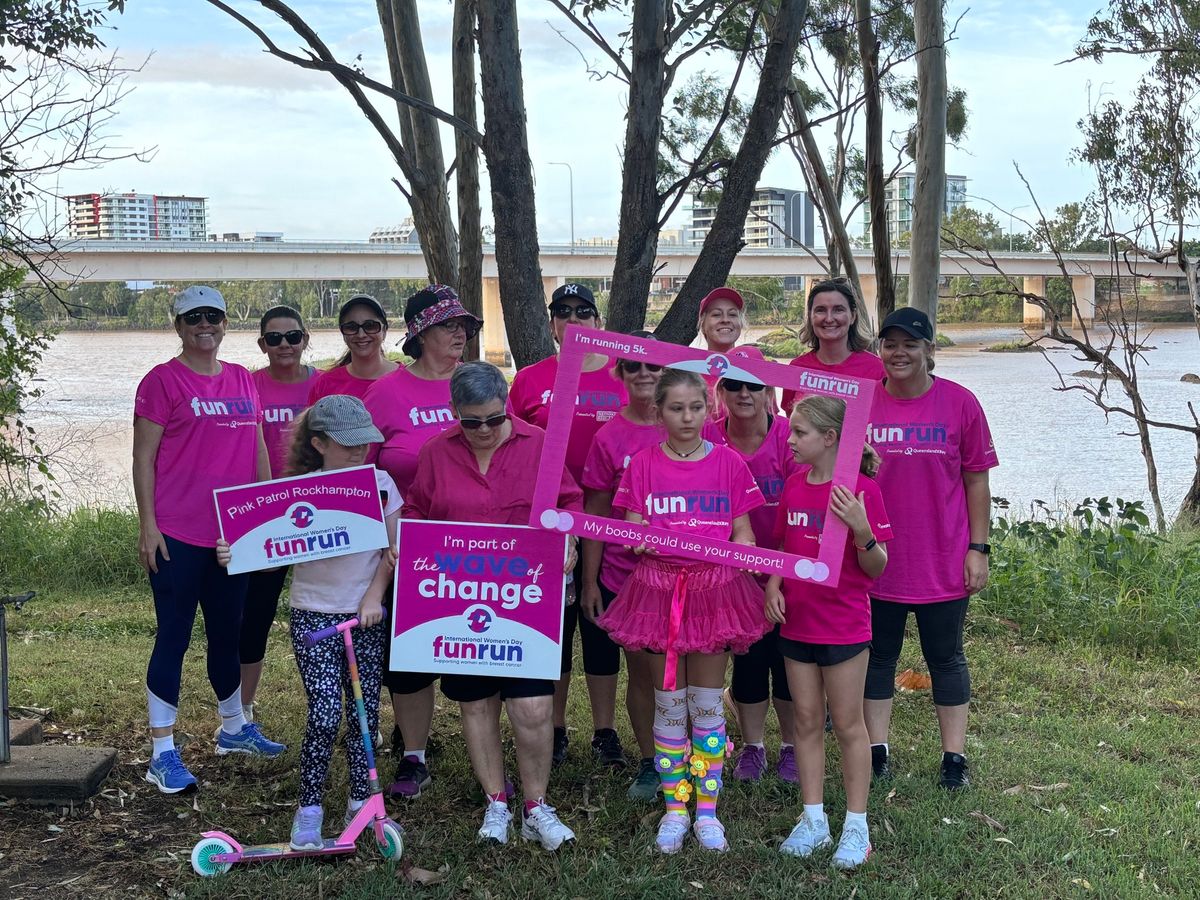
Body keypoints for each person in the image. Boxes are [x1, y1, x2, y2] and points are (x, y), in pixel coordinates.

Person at [403, 362, 582, 851]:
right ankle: (497, 803)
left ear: (506, 405)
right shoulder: (436, 452)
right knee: (476, 704)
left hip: (525, 601)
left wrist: (568, 538)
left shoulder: (541, 443)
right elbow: (418, 509)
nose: (483, 430)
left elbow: (571, 502)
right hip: (461, 604)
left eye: (492, 419)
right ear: (453, 413)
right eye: (471, 421)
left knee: (533, 707)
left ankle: (536, 807)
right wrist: (408, 540)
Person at [597, 368, 770, 854]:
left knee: (707, 705)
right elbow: (632, 534)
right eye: (676, 408)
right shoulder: (643, 464)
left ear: (708, 409)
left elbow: (745, 535)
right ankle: (676, 810)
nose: (687, 417)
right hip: (658, 594)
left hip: (714, 593)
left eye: (696, 407)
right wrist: (648, 543)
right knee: (669, 704)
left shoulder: (731, 464)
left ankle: (708, 813)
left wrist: (736, 553)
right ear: (659, 412)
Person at [217, 395, 400, 850]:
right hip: (312, 614)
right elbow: (263, 554)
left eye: (364, 442)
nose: (359, 451)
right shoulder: (295, 493)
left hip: (365, 617)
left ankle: (362, 799)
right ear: (318, 443)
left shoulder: (381, 485)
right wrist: (232, 554)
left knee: (364, 713)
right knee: (323, 713)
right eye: (346, 444)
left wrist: (374, 596)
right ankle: (310, 806)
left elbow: (393, 550)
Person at [133, 285, 285, 795]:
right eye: (193, 317)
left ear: (224, 324)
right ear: (178, 326)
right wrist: (148, 526)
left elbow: (258, 450)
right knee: (173, 636)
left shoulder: (243, 378)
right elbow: (144, 459)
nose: (205, 325)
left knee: (230, 631)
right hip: (177, 533)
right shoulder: (162, 381)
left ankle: (234, 729)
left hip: (233, 534)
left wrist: (264, 521)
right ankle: (162, 752)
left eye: (214, 317)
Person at [864, 307, 997, 790]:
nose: (899, 353)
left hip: (943, 557)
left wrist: (978, 548)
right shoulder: (862, 405)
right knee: (879, 657)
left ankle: (953, 760)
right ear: (880, 350)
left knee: (946, 657)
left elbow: (976, 482)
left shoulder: (960, 404)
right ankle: (877, 752)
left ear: (929, 351)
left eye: (910, 344)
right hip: (876, 558)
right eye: (890, 344)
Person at [362, 285, 481, 799]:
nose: (460, 334)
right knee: (408, 657)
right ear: (419, 333)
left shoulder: (478, 385)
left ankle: (489, 760)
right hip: (406, 547)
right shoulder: (386, 393)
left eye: (465, 326)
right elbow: (359, 475)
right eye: (448, 325)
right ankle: (414, 754)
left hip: (477, 547)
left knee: (477, 648)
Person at [764, 395, 891, 870]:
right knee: (805, 721)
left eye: (799, 433)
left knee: (849, 724)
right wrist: (773, 585)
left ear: (830, 437)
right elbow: (781, 544)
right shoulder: (795, 486)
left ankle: (856, 826)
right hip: (797, 623)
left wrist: (862, 531)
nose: (790, 439)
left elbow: (876, 567)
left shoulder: (862, 491)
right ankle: (813, 820)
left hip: (843, 626)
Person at [507, 283, 627, 767]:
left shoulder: (623, 376)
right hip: (549, 524)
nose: (574, 319)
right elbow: (512, 445)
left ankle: (604, 731)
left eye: (584, 311)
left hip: (613, 523)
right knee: (553, 631)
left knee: (601, 629)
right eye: (563, 312)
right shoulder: (531, 379)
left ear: (598, 322)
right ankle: (554, 730)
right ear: (553, 324)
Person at [705, 346, 800, 783]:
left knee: (786, 662)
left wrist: (778, 578)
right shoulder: (707, 437)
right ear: (721, 391)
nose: (744, 393)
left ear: (768, 394)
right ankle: (753, 747)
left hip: (788, 567)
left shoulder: (789, 436)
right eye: (734, 385)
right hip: (731, 572)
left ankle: (792, 747)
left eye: (754, 385)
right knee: (747, 661)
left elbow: (808, 499)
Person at [579, 332, 663, 801]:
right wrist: (589, 579)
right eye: (634, 366)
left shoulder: (691, 423)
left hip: (686, 576)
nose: (645, 374)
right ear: (621, 375)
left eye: (654, 365)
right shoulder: (609, 436)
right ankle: (653, 762)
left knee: (683, 672)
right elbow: (594, 511)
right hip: (623, 576)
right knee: (642, 671)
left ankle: (692, 756)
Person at [235, 305, 318, 732]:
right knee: (255, 613)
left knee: (336, 609)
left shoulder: (324, 385)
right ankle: (241, 711)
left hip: (319, 512)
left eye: (292, 337)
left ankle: (350, 707)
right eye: (274, 338)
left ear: (306, 339)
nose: (284, 345)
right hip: (264, 514)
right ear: (261, 344)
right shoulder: (246, 385)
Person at [781, 279, 884, 414]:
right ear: (811, 317)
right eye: (821, 310)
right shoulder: (796, 368)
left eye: (838, 310)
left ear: (853, 316)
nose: (829, 318)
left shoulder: (877, 369)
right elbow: (792, 423)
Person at [308, 294, 399, 403]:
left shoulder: (406, 379)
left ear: (384, 331)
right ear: (343, 334)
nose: (361, 335)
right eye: (351, 327)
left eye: (370, 326)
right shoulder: (326, 384)